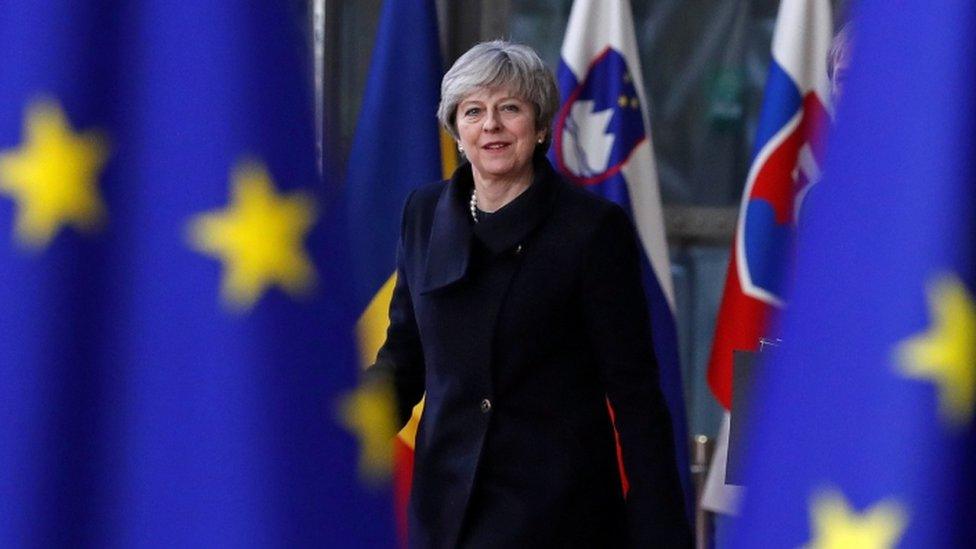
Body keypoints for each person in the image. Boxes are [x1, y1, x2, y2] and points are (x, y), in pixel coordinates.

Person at [366, 40, 691, 548]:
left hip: (558, 516)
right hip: (446, 515)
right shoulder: (424, 214)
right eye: (473, 111)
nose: (490, 125)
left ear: (540, 128)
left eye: (509, 109)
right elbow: (403, 361)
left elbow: (636, 396)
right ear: (456, 129)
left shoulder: (592, 230)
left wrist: (659, 529)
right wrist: (337, 437)